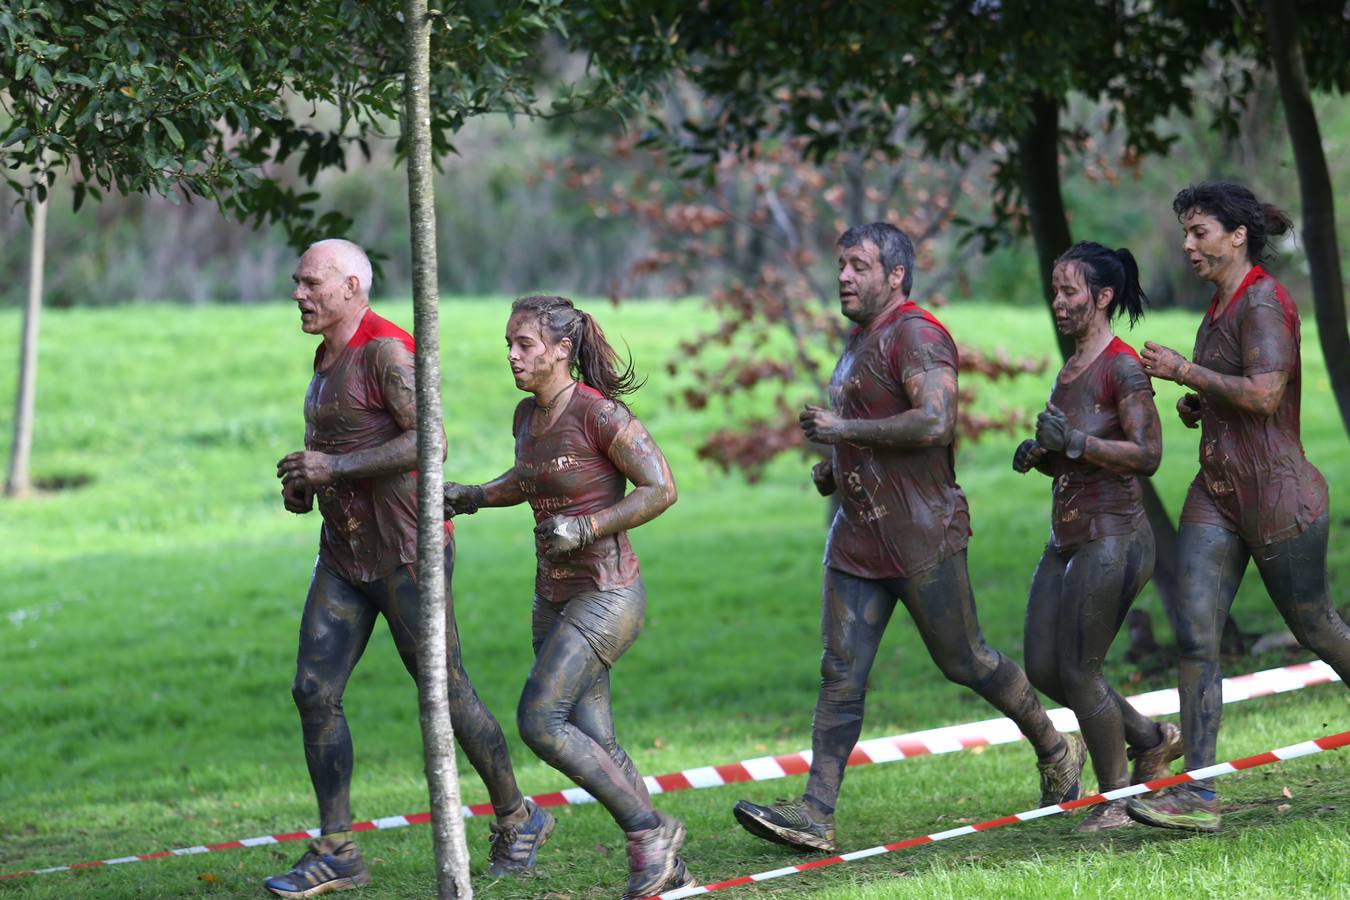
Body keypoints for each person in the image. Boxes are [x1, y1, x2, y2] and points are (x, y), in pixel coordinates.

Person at [733, 223, 1085, 854]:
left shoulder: (919, 334)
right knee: (839, 672)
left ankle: (1057, 748)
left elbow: (935, 420)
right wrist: (835, 465)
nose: (843, 276)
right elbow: (873, 426)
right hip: (857, 539)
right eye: (840, 264)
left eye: (859, 266)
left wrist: (841, 428)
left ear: (895, 275)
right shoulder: (858, 338)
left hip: (923, 536)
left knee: (966, 660)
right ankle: (816, 813)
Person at [265, 240, 549, 898]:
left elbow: (432, 440)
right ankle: (336, 851)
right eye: (297, 283)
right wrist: (307, 484)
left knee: (443, 691)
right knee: (313, 690)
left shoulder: (386, 349)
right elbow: (341, 441)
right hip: (343, 554)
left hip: (406, 550)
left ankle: (518, 816)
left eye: (312, 284)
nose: (299, 294)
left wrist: (331, 468)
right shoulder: (326, 357)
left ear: (353, 286)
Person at [442, 295, 693, 899]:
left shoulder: (600, 415)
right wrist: (471, 495)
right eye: (509, 343)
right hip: (551, 597)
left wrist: (585, 527)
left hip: (607, 595)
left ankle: (650, 833)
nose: (512, 354)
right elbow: (528, 480)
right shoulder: (526, 417)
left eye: (524, 344)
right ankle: (661, 860)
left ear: (561, 350)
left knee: (540, 719)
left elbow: (662, 488)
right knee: (596, 739)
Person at [1126, 182, 1350, 832]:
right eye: (1187, 232)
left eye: (1199, 232)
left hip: (1281, 497)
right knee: (1197, 636)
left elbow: (1263, 394)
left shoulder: (1265, 302)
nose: (1189, 244)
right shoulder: (1219, 305)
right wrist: (1202, 403)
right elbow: (1235, 397)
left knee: (1317, 627)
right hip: (1217, 493)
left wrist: (1184, 373)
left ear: (1237, 235)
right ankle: (1198, 795)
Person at [1013, 241, 1183, 832]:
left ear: (1102, 297)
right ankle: (1152, 738)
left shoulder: (1122, 366)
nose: (1058, 302)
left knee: (1080, 669)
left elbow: (1148, 455)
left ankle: (1116, 802)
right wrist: (1043, 454)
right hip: (1067, 536)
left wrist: (1076, 444)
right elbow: (1072, 451)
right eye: (1055, 291)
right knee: (1043, 666)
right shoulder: (1071, 369)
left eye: (1069, 292)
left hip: (1114, 535)